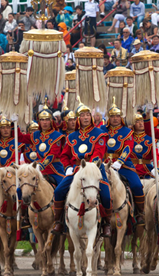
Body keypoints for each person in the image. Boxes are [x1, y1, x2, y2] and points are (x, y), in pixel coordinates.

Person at [53, 99, 111, 236]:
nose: (85, 118)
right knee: (58, 191)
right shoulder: (71, 136)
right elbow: (64, 155)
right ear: (78, 119)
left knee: (106, 195)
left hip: (95, 169)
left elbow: (98, 154)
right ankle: (59, 222)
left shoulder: (99, 134)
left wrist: (88, 167)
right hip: (76, 169)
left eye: (87, 115)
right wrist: (67, 166)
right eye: (82, 116)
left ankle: (107, 223)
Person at [17, 102, 66, 228]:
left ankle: (63, 218)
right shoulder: (35, 135)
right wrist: (15, 124)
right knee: (20, 190)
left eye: (47, 120)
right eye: (42, 120)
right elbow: (21, 138)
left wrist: (41, 166)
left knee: (64, 190)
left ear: (51, 121)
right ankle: (25, 217)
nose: (44, 122)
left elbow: (52, 155)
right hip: (38, 170)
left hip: (54, 170)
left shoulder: (58, 136)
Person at [101, 98, 145, 225]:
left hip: (123, 164)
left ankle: (140, 213)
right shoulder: (102, 130)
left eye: (117, 116)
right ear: (109, 117)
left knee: (137, 185)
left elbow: (127, 148)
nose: (115, 118)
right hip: (104, 163)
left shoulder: (127, 132)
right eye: (113, 116)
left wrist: (119, 162)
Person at [130, 113, 159, 179]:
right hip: (131, 169)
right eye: (137, 121)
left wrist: (156, 168)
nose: (141, 123)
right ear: (133, 124)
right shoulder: (128, 137)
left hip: (147, 170)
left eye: (142, 121)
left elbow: (156, 155)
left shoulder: (151, 138)